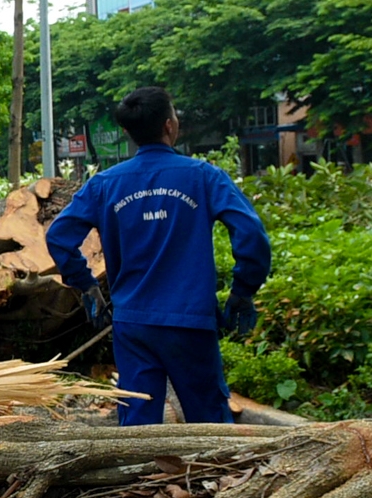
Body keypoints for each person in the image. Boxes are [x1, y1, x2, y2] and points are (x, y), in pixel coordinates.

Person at [46, 86, 271, 427]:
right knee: (209, 424)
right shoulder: (203, 176)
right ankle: (212, 478)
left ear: (127, 131)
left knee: (138, 423)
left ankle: (136, 478)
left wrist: (86, 286)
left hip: (132, 323)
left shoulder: (104, 184)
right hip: (190, 321)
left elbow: (59, 237)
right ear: (169, 125)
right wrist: (243, 290)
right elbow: (251, 233)